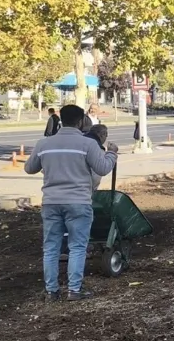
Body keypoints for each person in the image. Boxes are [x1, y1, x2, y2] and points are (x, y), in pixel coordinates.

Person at [24, 105, 118, 301]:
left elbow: (29, 168)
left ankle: (52, 291)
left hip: (51, 202)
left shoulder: (44, 144)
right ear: (81, 121)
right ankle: (74, 290)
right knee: (77, 247)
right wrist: (111, 153)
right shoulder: (88, 145)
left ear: (60, 119)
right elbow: (102, 168)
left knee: (51, 248)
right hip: (78, 202)